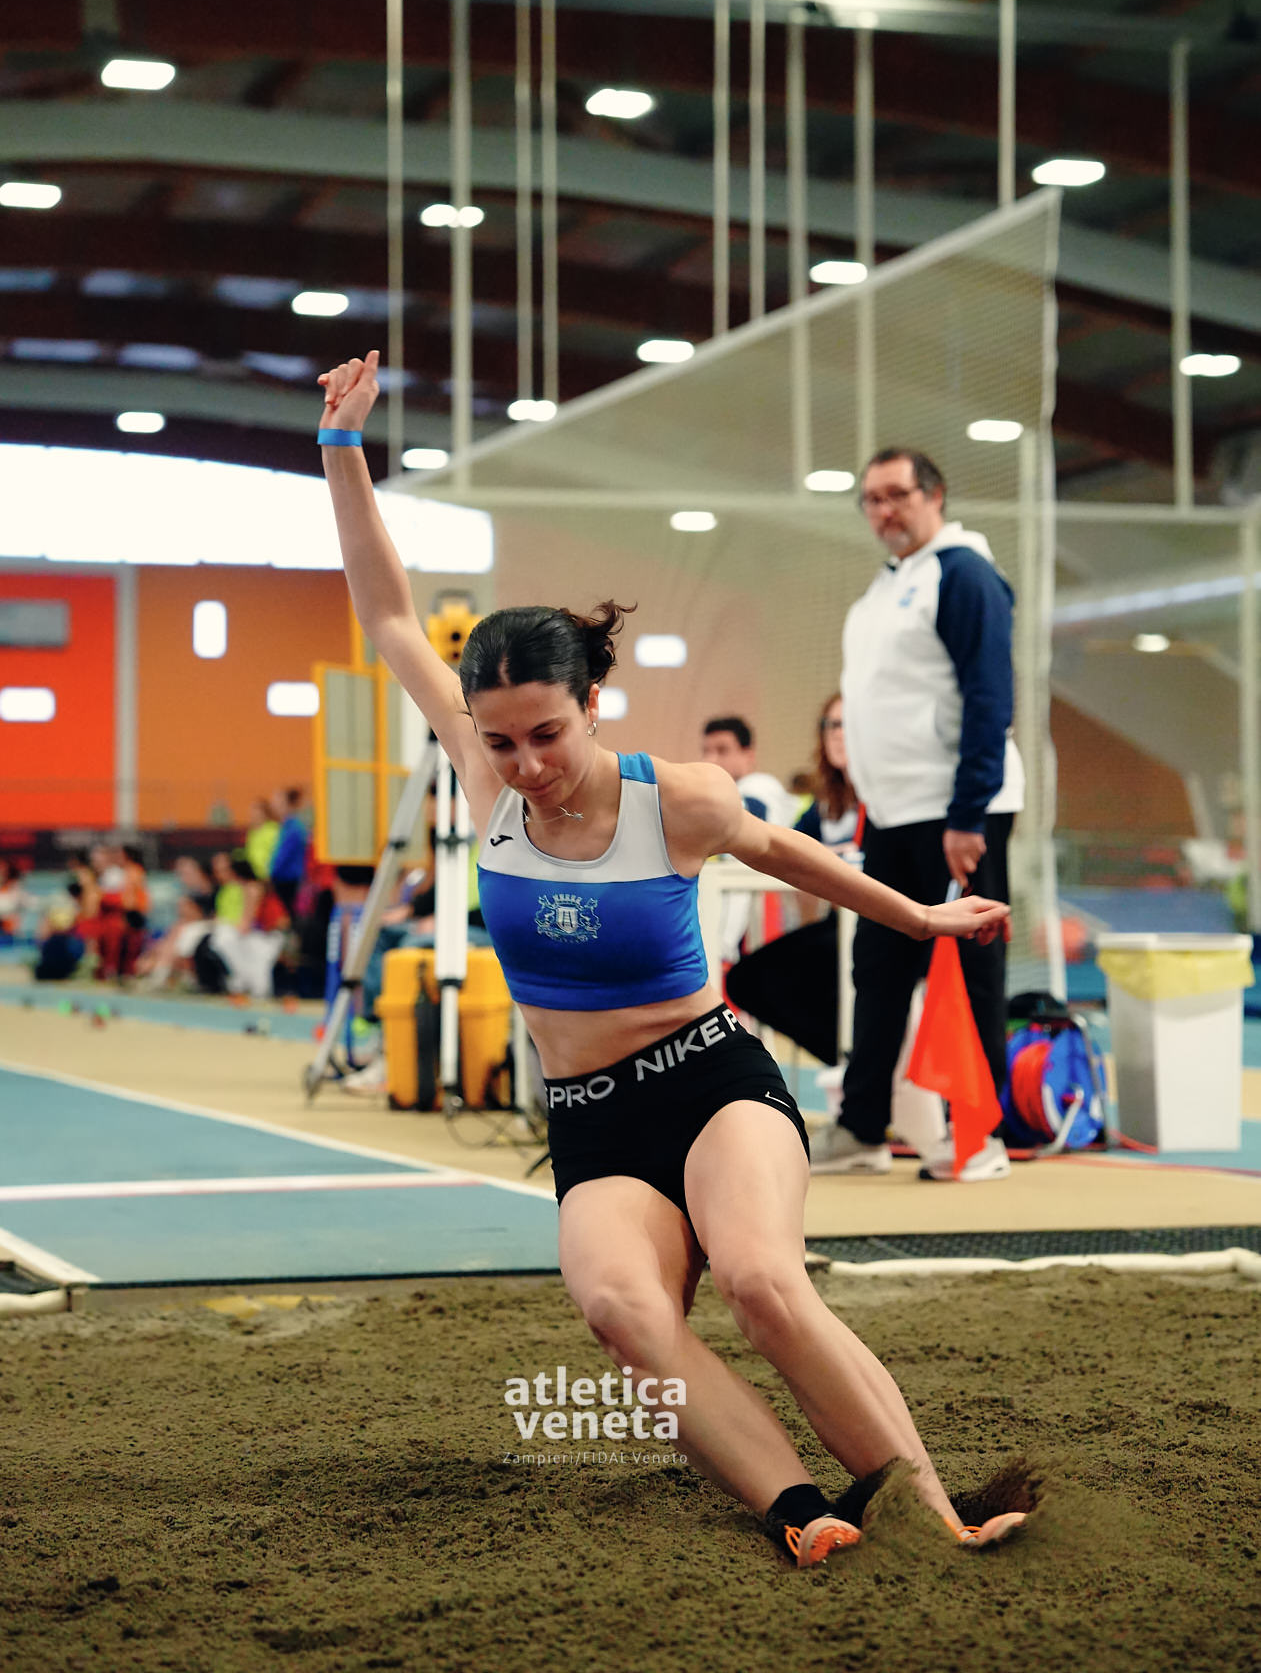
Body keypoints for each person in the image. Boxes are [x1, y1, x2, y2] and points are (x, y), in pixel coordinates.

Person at [316, 347, 1026, 1565]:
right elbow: (386, 610)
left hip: (710, 1080)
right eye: (502, 740)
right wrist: (342, 446)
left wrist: (918, 916)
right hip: (592, 1115)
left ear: (591, 700)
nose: (528, 764)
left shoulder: (677, 798)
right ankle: (795, 1506)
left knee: (759, 1279)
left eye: (548, 733)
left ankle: (932, 1511)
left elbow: (791, 852)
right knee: (620, 1308)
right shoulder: (486, 777)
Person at [812, 448, 1023, 1184]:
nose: (883, 511)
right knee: (876, 969)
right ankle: (862, 1127)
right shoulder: (883, 588)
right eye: (871, 499)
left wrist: (967, 814)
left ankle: (977, 1136)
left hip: (956, 812)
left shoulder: (963, 575)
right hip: (894, 814)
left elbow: (990, 698)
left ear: (934, 495)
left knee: (969, 972)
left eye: (896, 494)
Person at [723, 694, 859, 1064]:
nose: (837, 734)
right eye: (830, 725)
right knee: (746, 981)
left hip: (882, 928)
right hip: (838, 926)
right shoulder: (825, 803)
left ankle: (857, 1058)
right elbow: (790, 848)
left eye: (845, 724)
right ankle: (846, 1057)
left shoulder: (882, 799)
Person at [699, 717, 798, 963]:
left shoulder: (760, 787)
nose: (711, 759)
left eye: (722, 750)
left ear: (748, 754)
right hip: (740, 928)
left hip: (761, 924)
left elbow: (747, 811)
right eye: (706, 751)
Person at [269, 788, 309, 924]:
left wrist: (271, 872)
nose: (275, 807)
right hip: (283, 878)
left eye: (279, 803)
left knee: (292, 915)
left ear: (288, 805)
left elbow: (283, 856)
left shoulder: (294, 827)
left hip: (289, 879)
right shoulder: (285, 826)